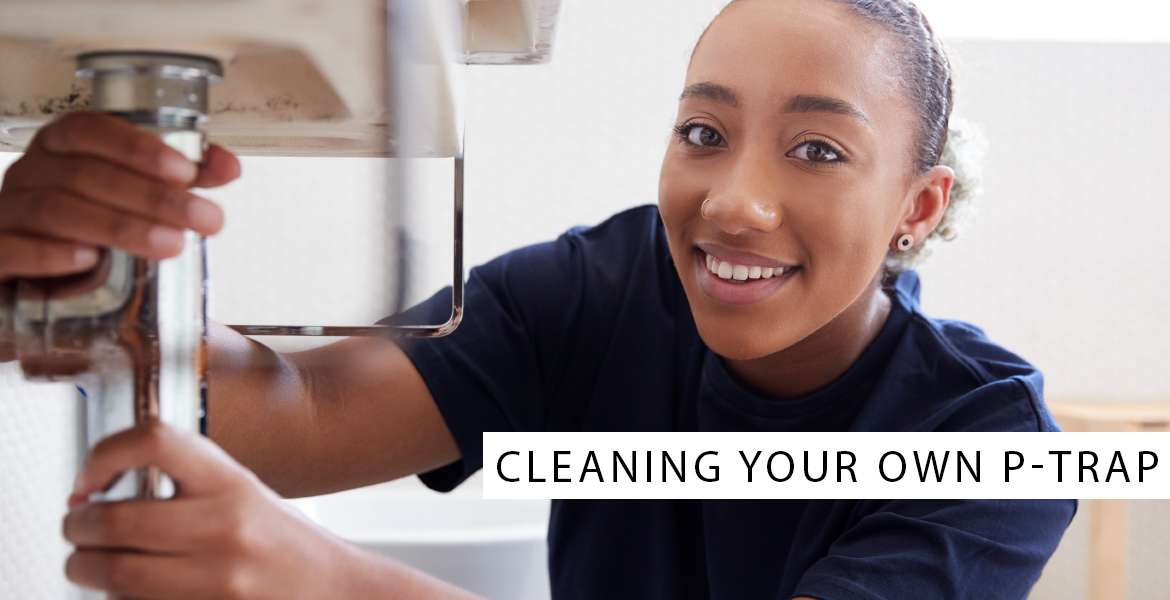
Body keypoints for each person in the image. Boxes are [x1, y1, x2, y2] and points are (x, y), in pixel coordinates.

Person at [0, 0, 1075, 598]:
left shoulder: (989, 437)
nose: (735, 202)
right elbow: (295, 417)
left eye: (817, 149)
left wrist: (327, 583)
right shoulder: (601, 291)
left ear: (917, 206)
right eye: (704, 133)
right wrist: (91, 274)